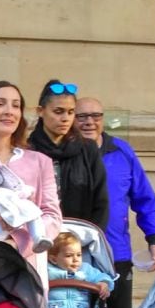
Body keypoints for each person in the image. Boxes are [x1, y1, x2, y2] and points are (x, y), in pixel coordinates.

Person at [74, 96, 155, 308]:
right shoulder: (66, 154)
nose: (89, 122)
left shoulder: (122, 151)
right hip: (73, 256)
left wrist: (153, 237)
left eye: (96, 116)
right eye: (82, 116)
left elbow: (145, 198)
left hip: (117, 253)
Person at [0, 81, 63, 289]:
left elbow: (52, 216)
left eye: (16, 105)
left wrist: (17, 242)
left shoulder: (39, 161)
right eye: (0, 104)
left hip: (25, 266)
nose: (9, 111)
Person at [27, 79, 109, 229]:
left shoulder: (88, 149)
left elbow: (101, 202)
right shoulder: (27, 151)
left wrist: (92, 236)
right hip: (39, 238)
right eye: (58, 112)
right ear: (40, 111)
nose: (65, 118)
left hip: (80, 241)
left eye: (71, 112)